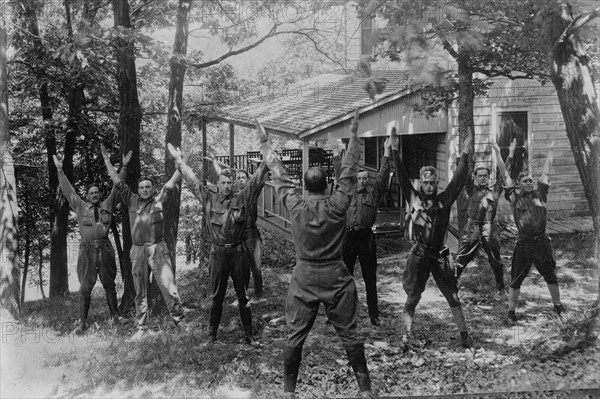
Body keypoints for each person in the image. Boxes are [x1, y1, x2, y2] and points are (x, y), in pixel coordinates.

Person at [256, 110, 373, 398]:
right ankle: (366, 390)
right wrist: (355, 134)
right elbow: (348, 172)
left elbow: (279, 174)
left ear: (305, 187)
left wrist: (264, 141)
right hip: (335, 274)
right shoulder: (337, 205)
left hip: (305, 277)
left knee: (295, 336)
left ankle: (288, 392)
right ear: (327, 185)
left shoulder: (295, 205)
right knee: (350, 335)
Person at [168, 144, 269, 346]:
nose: (227, 185)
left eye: (230, 182)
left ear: (233, 184)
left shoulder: (242, 197)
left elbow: (256, 181)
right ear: (218, 183)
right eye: (223, 182)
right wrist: (179, 161)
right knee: (216, 297)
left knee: (243, 297)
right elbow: (193, 181)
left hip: (239, 253)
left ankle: (249, 336)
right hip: (218, 255)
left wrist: (267, 160)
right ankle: (212, 337)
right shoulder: (208, 198)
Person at [391, 128, 473, 349]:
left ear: (437, 183)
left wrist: (465, 154)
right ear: (421, 183)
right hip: (419, 256)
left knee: (453, 297)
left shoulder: (444, 199)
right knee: (413, 298)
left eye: (432, 183)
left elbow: (458, 180)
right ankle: (405, 339)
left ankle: (465, 335)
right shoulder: (414, 199)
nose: (429, 186)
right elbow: (401, 177)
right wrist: (395, 150)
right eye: (426, 182)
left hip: (440, 256)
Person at [101, 145, 187, 341]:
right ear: (137, 189)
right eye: (141, 187)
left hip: (158, 249)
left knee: (168, 288)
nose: (145, 190)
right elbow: (116, 181)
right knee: (140, 290)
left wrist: (182, 161)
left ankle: (180, 323)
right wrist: (108, 162)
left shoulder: (159, 199)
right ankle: (141, 328)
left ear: (152, 189)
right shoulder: (131, 200)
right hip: (138, 251)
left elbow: (174, 179)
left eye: (148, 187)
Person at [53, 150, 131, 335]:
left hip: (104, 248)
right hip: (87, 251)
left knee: (109, 283)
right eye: (91, 193)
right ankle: (82, 322)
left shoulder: (108, 204)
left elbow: (118, 185)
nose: (95, 195)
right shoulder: (80, 206)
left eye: (97, 192)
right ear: (87, 196)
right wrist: (60, 171)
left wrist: (124, 166)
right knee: (85, 286)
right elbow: (68, 190)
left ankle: (116, 316)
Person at [492, 141, 564, 323]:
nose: (530, 182)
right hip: (524, 244)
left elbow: (546, 172)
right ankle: (510, 311)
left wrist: (550, 150)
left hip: (542, 243)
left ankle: (558, 306)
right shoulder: (515, 197)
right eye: (525, 181)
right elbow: (504, 173)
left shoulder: (541, 193)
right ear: (519, 184)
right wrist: (498, 152)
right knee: (516, 278)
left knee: (550, 275)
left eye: (531, 179)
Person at [330, 132, 392, 326]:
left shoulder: (373, 193)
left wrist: (386, 152)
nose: (363, 181)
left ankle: (374, 315)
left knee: (369, 278)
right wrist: (335, 153)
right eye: (360, 178)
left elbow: (382, 175)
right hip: (347, 237)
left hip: (366, 237)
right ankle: (340, 314)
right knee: (343, 278)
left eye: (366, 178)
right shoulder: (346, 192)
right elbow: (340, 174)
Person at [455, 161, 506, 296]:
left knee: (495, 258)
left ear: (489, 177)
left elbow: (502, 175)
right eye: (480, 175)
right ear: (475, 177)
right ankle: (452, 285)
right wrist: (463, 158)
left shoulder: (495, 190)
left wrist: (510, 156)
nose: (482, 178)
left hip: (490, 227)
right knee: (462, 257)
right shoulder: (471, 188)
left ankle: (501, 288)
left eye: (485, 175)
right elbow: (464, 175)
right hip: (473, 227)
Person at [235, 167, 267, 298]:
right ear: (235, 181)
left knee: (255, 264)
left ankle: (259, 292)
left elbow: (260, 182)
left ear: (247, 180)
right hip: (238, 235)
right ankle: (243, 292)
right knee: (242, 266)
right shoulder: (233, 197)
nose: (241, 180)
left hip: (251, 233)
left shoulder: (252, 193)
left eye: (244, 177)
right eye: (238, 178)